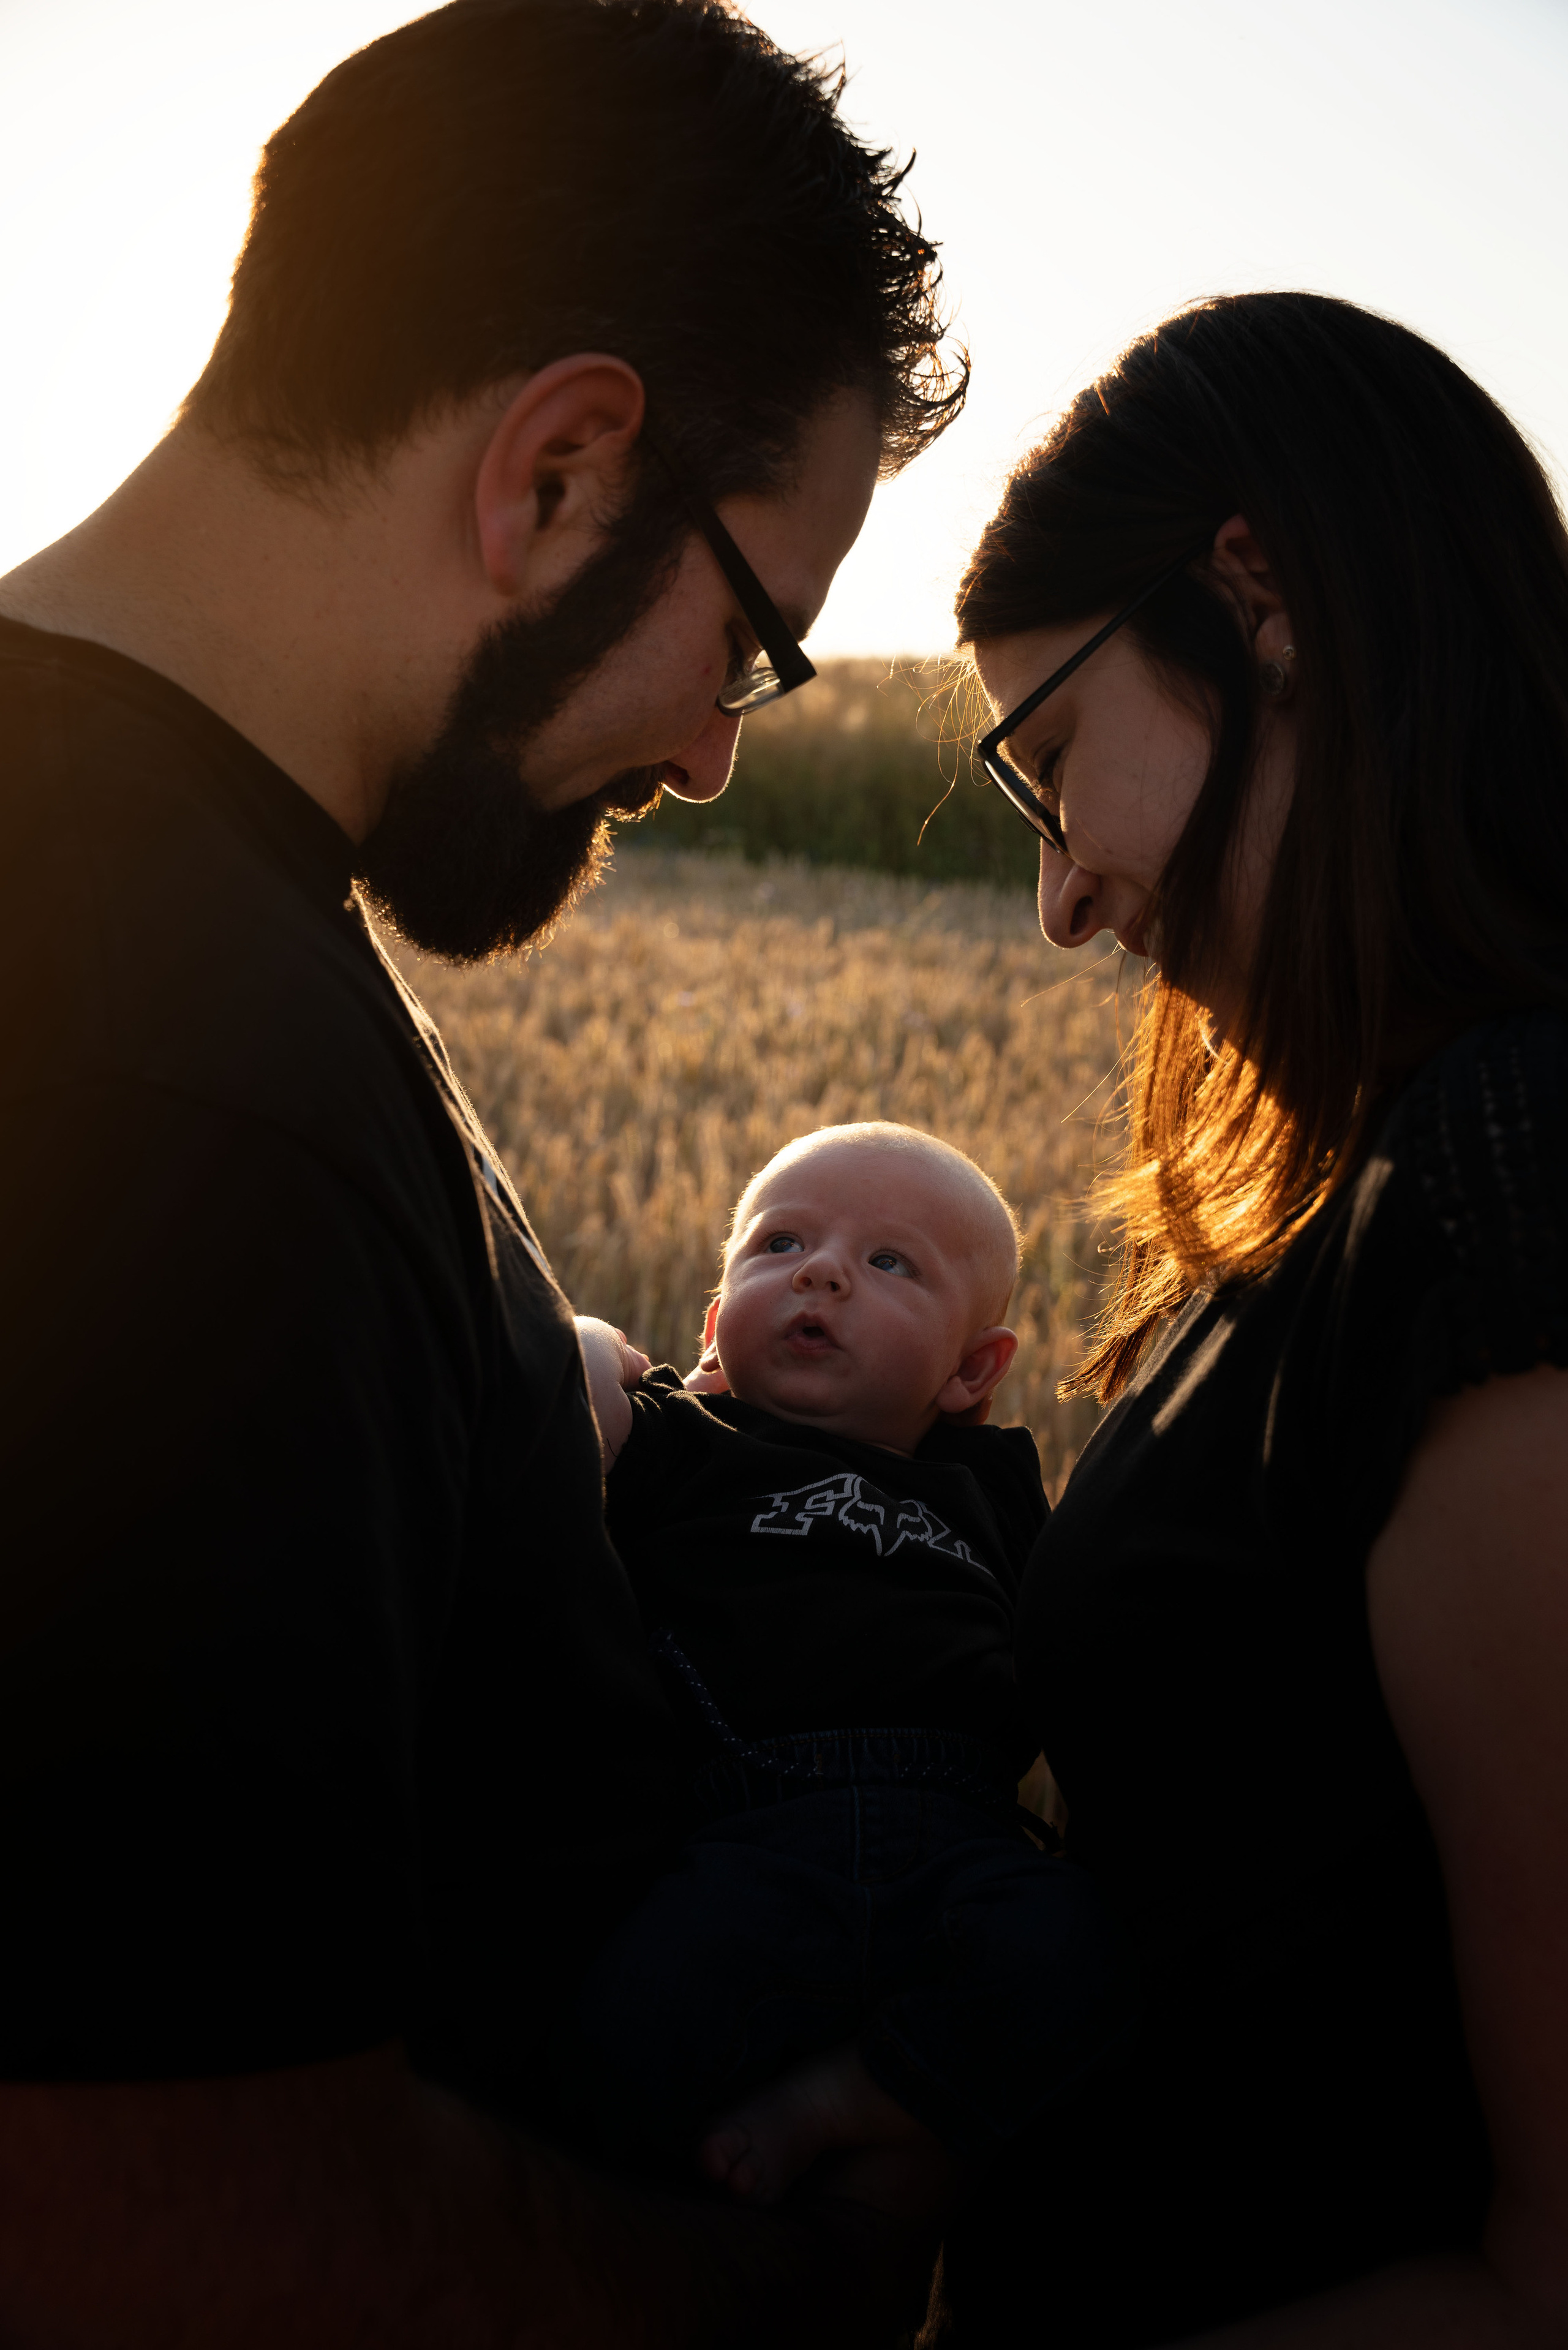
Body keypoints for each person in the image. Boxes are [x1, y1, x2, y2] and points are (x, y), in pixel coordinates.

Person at [0, 2, 967, 2338]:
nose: (720, 754)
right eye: (751, 636)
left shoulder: (166, 921)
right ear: (556, 468)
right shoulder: (171, 1059)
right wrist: (802, 2288)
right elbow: (154, 2218)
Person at [922, 290, 1568, 2348]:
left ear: (1262, 589)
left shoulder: (1505, 1183)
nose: (1066, 897)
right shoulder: (1367, 1173)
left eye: (1051, 770)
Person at [571, 1123, 1133, 2211]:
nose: (821, 1269)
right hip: (740, 1847)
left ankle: (848, 2097)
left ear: (975, 1369)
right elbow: (558, 1395)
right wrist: (599, 1342)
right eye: (779, 1244)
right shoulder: (686, 1440)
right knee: (606, 2039)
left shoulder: (993, 1484)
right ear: (716, 1323)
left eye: (890, 1262)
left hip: (963, 1851)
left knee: (1090, 1960)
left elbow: (1080, 1626)